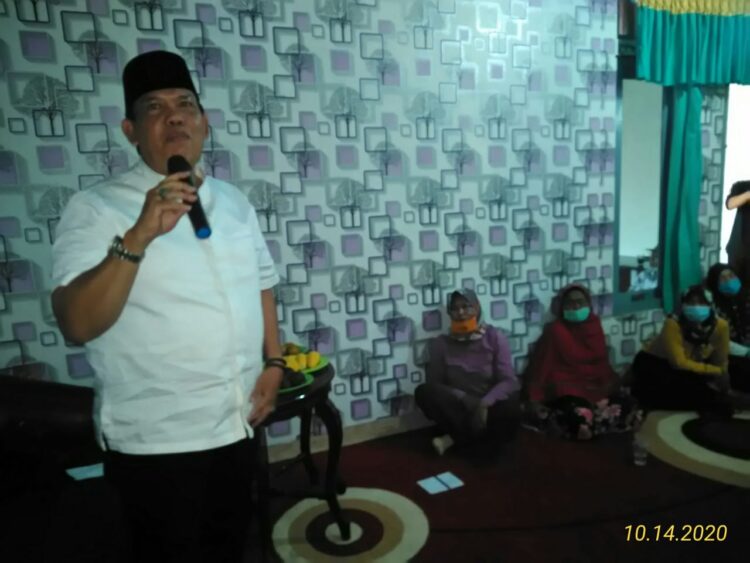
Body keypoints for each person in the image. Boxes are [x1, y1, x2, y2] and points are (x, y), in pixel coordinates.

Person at [51, 51, 283, 563]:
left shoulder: (234, 202)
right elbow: (76, 323)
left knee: (230, 546)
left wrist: (274, 362)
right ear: (131, 131)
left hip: (236, 422)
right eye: (154, 108)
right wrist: (139, 235)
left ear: (204, 122)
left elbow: (262, 284)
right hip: (156, 441)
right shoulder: (96, 208)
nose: (174, 116)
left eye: (185, 104)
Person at [414, 289, 521, 456]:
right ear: (450, 313)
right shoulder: (441, 343)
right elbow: (435, 383)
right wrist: (465, 399)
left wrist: (485, 403)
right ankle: (478, 439)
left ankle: (456, 438)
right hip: (459, 406)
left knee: (512, 402)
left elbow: (509, 381)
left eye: (466, 306)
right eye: (455, 308)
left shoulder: (494, 337)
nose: (461, 312)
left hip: (490, 406)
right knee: (424, 392)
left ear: (477, 308)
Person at [524, 285, 637, 440]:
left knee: (630, 406)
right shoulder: (555, 330)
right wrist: (534, 397)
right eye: (570, 303)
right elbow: (542, 365)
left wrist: (608, 385)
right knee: (580, 418)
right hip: (568, 387)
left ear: (588, 304)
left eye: (580, 302)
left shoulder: (594, 326)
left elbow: (601, 363)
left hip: (596, 384)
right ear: (562, 307)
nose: (576, 306)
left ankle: (596, 423)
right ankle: (591, 424)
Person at [631, 285, 732, 413]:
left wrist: (723, 373)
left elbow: (721, 357)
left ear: (710, 305)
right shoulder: (673, 323)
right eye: (691, 303)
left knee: (711, 390)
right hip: (657, 363)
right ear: (683, 305)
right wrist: (716, 371)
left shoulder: (721, 326)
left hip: (693, 365)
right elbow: (678, 362)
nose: (696, 307)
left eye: (701, 303)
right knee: (695, 396)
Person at [705, 263, 750, 392]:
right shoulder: (711, 307)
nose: (729, 280)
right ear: (715, 284)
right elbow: (719, 340)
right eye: (723, 278)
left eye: (731, 276)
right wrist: (745, 352)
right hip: (730, 357)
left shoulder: (747, 297)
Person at [725, 180, 750, 287]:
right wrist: (747, 195)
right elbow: (730, 204)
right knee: (735, 289)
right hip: (739, 253)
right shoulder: (742, 186)